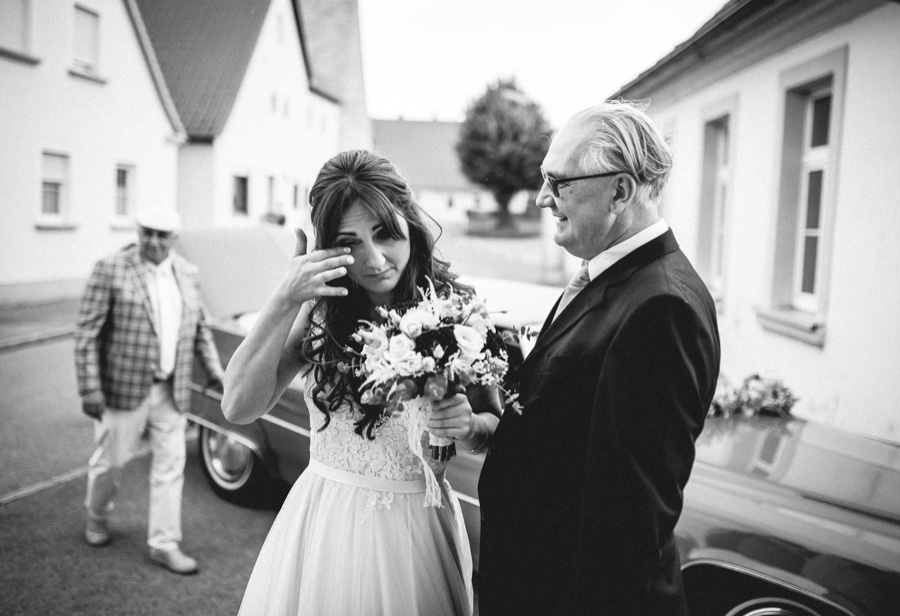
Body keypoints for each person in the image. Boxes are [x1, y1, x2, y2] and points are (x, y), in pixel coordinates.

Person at [223, 150, 500, 616]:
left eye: (385, 233)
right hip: (326, 522)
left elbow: (491, 425)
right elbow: (237, 407)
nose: (373, 260)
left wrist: (469, 426)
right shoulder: (320, 310)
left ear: (409, 222)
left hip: (419, 530)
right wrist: (284, 298)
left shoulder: (457, 308)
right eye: (349, 242)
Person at [477, 100, 722, 615]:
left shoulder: (662, 308)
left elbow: (627, 523)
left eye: (559, 181)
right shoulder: (609, 275)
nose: (544, 198)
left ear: (620, 190)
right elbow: (573, 433)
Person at [74, 207, 224, 575]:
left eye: (163, 235)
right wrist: (89, 389)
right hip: (122, 390)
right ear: (138, 232)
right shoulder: (111, 268)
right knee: (111, 462)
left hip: (171, 390)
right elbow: (87, 334)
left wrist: (215, 372)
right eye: (148, 233)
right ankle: (97, 515)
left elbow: (199, 328)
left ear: (174, 238)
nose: (155, 241)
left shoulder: (188, 272)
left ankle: (164, 543)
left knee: (171, 467)